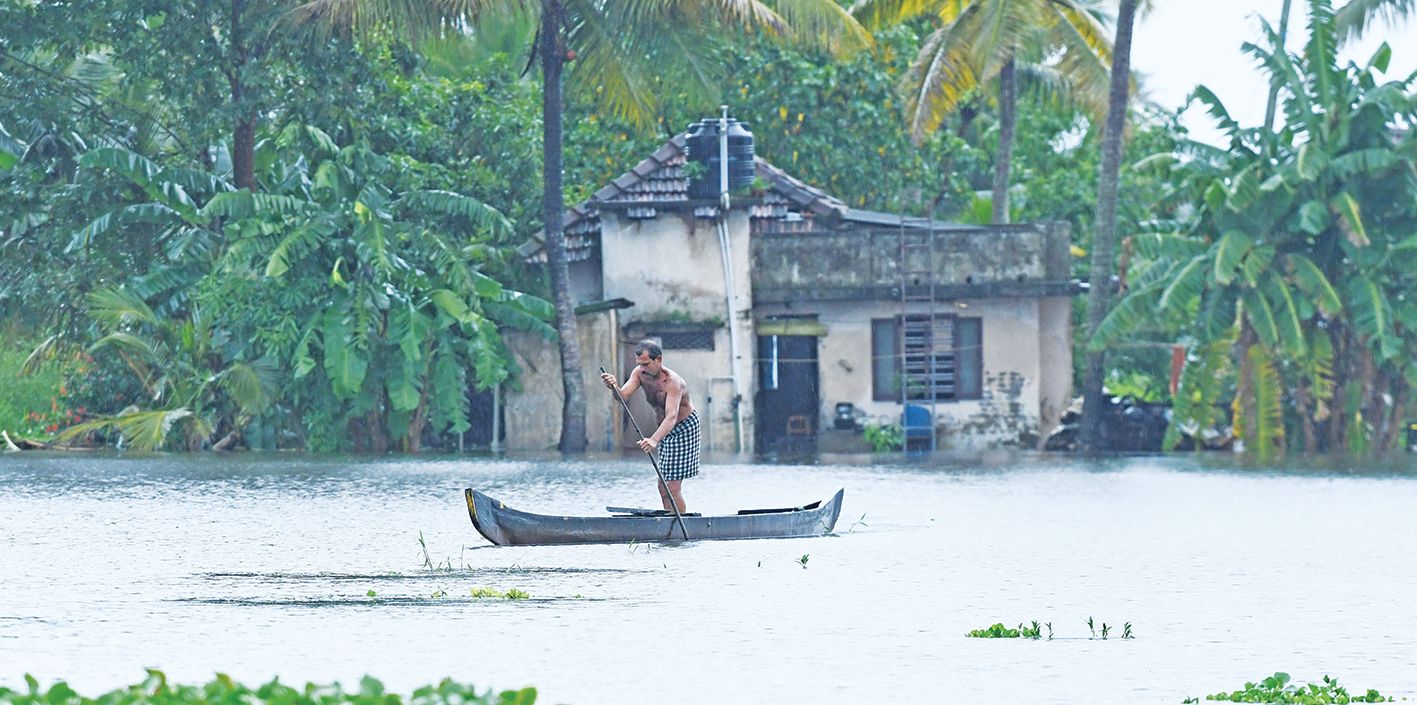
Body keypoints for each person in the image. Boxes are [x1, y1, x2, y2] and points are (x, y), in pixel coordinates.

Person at [601, 340, 700, 513]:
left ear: (659, 360)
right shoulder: (639, 373)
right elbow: (622, 396)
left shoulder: (672, 382)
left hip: (684, 427)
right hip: (665, 429)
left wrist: (654, 439)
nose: (643, 368)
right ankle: (669, 521)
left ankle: (683, 522)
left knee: (672, 486)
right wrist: (613, 386)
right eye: (640, 364)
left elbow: (672, 416)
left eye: (646, 364)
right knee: (663, 487)